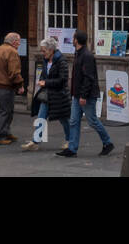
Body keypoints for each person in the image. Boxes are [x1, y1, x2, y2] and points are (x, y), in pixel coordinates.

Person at [58, 30, 114, 158]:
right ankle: (72, 148)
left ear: (76, 40)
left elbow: (89, 77)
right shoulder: (78, 53)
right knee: (73, 121)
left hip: (86, 95)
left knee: (92, 121)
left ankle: (108, 142)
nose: (72, 39)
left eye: (73, 38)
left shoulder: (86, 55)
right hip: (77, 94)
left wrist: (83, 95)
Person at [24, 37, 71, 152]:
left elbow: (63, 79)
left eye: (44, 50)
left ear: (51, 50)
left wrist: (46, 82)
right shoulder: (45, 60)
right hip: (47, 95)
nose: (42, 53)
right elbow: (44, 75)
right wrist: (42, 81)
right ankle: (35, 142)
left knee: (64, 119)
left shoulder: (61, 61)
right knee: (41, 117)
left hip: (59, 95)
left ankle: (70, 140)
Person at [0, 32, 25, 145]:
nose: (19, 44)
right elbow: (14, 72)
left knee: (8, 110)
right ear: (14, 42)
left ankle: (5, 132)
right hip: (5, 85)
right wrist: (20, 85)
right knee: (5, 111)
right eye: (18, 41)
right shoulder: (12, 52)